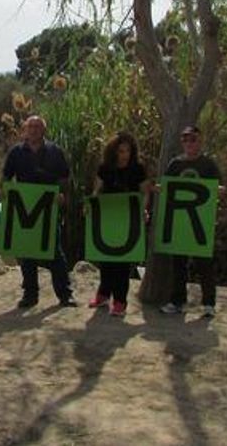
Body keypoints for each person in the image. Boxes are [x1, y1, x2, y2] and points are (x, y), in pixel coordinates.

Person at [1, 115, 76, 308]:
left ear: (44, 130)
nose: (33, 130)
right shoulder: (16, 152)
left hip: (48, 209)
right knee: (26, 253)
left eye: (37, 127)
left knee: (55, 251)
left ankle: (65, 294)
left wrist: (61, 195)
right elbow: (6, 177)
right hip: (23, 209)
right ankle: (30, 295)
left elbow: (64, 177)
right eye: (30, 126)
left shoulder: (54, 151)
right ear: (25, 129)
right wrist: (7, 192)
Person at [159, 125, 221, 318]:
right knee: (178, 264)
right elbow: (167, 187)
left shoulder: (208, 165)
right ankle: (177, 301)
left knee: (204, 264)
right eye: (185, 139)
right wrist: (157, 189)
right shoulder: (175, 165)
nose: (189, 143)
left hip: (200, 222)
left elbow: (217, 187)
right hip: (179, 222)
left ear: (200, 141)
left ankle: (209, 303)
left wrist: (220, 190)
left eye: (193, 139)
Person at [90, 132, 151, 317]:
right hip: (109, 218)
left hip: (129, 218)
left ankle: (120, 301)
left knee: (123, 263)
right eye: (120, 151)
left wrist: (143, 210)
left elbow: (146, 192)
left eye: (127, 151)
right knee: (106, 259)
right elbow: (96, 190)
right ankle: (103, 295)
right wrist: (92, 207)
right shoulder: (105, 168)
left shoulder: (138, 169)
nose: (123, 154)